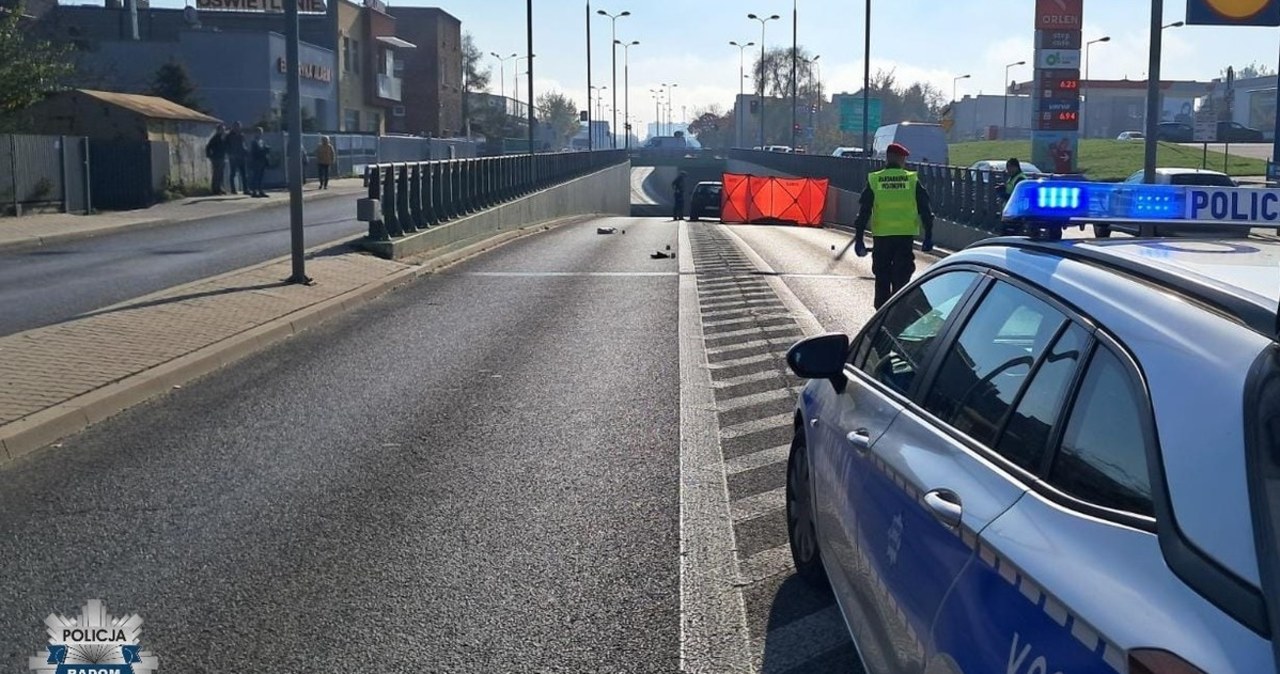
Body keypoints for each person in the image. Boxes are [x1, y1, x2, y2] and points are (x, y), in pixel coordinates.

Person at [852, 142, 936, 310]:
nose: (905, 161)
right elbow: (925, 211)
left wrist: (859, 239)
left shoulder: (875, 179)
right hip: (904, 239)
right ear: (898, 159)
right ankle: (897, 315)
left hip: (882, 239)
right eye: (904, 158)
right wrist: (928, 236)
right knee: (901, 280)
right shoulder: (911, 180)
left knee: (882, 279)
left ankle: (880, 316)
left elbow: (864, 212)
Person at [225, 122, 247, 195]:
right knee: (233, 174)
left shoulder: (241, 135)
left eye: (238, 126)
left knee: (244, 174)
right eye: (236, 126)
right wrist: (230, 154)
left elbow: (243, 145)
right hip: (233, 157)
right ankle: (233, 189)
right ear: (233, 127)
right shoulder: (229, 136)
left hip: (241, 157)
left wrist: (246, 152)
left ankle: (246, 189)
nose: (237, 128)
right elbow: (226, 146)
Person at [247, 127, 270, 198]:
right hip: (256, 161)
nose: (260, 133)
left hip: (262, 160)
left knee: (261, 177)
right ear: (256, 133)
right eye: (259, 132)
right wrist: (263, 150)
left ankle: (260, 190)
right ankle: (254, 191)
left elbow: (263, 148)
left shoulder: (261, 141)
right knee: (256, 176)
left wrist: (266, 149)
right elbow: (254, 152)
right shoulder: (254, 141)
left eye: (261, 132)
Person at [205, 125, 227, 195]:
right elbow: (208, 147)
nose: (223, 131)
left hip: (222, 158)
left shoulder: (223, 138)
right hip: (216, 158)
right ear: (218, 130)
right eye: (222, 129)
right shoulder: (215, 138)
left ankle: (220, 188)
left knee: (221, 174)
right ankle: (215, 190)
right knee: (216, 174)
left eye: (224, 129)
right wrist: (210, 156)